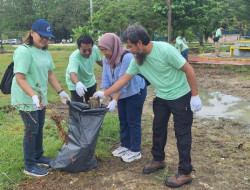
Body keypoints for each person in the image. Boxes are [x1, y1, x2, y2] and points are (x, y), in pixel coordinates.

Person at [94, 24, 202, 188]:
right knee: (158, 129)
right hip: (162, 97)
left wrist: (195, 95)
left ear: (139, 43)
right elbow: (124, 79)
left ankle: (185, 172)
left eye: (130, 46)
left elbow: (188, 69)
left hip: (181, 96)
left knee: (182, 134)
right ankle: (158, 160)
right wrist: (105, 93)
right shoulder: (138, 58)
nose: (129, 50)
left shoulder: (165, 50)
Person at [11, 19, 71, 177]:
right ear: (32, 33)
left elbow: (50, 74)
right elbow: (20, 78)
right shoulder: (24, 51)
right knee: (32, 129)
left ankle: (38, 156)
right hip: (26, 98)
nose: (44, 39)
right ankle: (29, 165)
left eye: (47, 37)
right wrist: (32, 96)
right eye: (41, 35)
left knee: (40, 126)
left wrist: (60, 92)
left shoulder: (45, 51)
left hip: (40, 97)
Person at [98, 33, 147, 162]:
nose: (104, 53)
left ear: (113, 46)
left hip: (135, 91)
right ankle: (125, 145)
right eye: (102, 51)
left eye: (106, 50)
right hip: (122, 93)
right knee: (123, 119)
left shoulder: (127, 57)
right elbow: (105, 77)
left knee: (133, 120)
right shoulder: (106, 59)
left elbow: (123, 81)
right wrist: (102, 93)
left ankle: (135, 150)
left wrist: (114, 99)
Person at [65, 35, 103, 103]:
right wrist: (77, 83)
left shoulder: (95, 49)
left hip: (89, 80)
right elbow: (72, 74)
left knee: (93, 103)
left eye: (89, 50)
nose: (87, 53)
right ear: (79, 48)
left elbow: (99, 61)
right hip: (75, 83)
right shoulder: (74, 57)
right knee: (78, 106)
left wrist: (110, 67)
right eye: (84, 51)